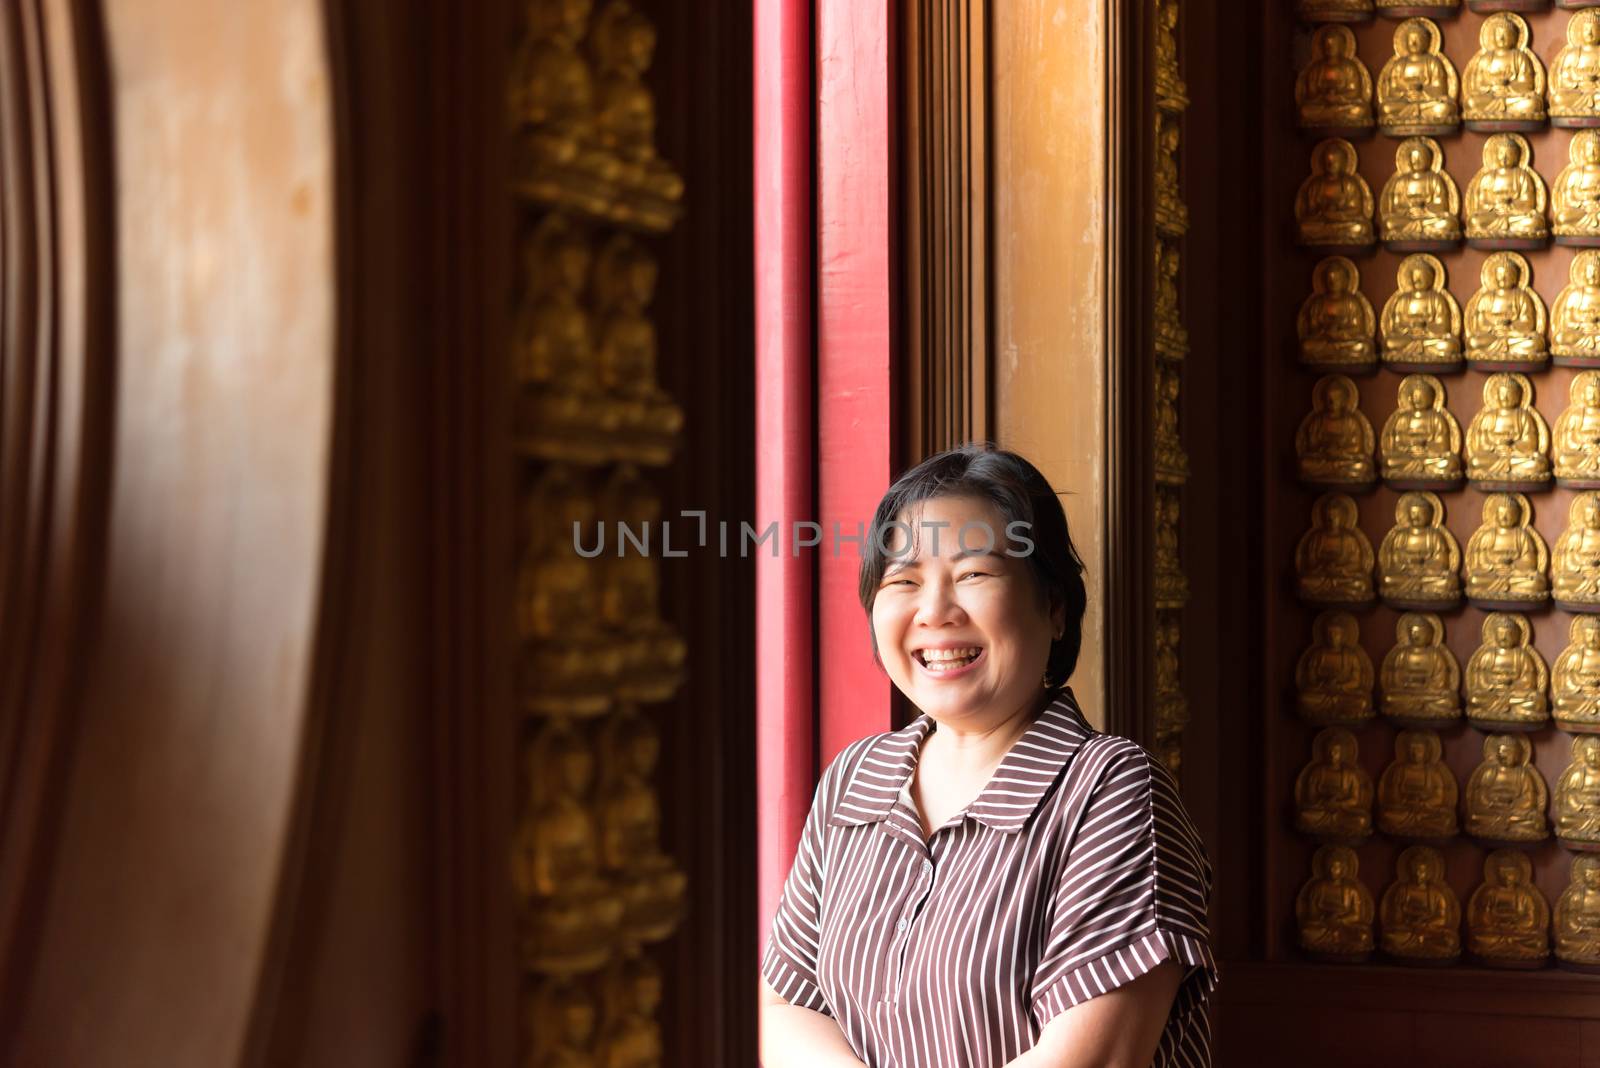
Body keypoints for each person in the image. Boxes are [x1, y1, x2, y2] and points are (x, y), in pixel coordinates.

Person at [759, 444, 1217, 1068]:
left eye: (974, 574)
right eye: (903, 580)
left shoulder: (1111, 790)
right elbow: (784, 1008)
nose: (935, 613)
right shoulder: (855, 779)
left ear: (1054, 607)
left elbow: (1090, 1062)